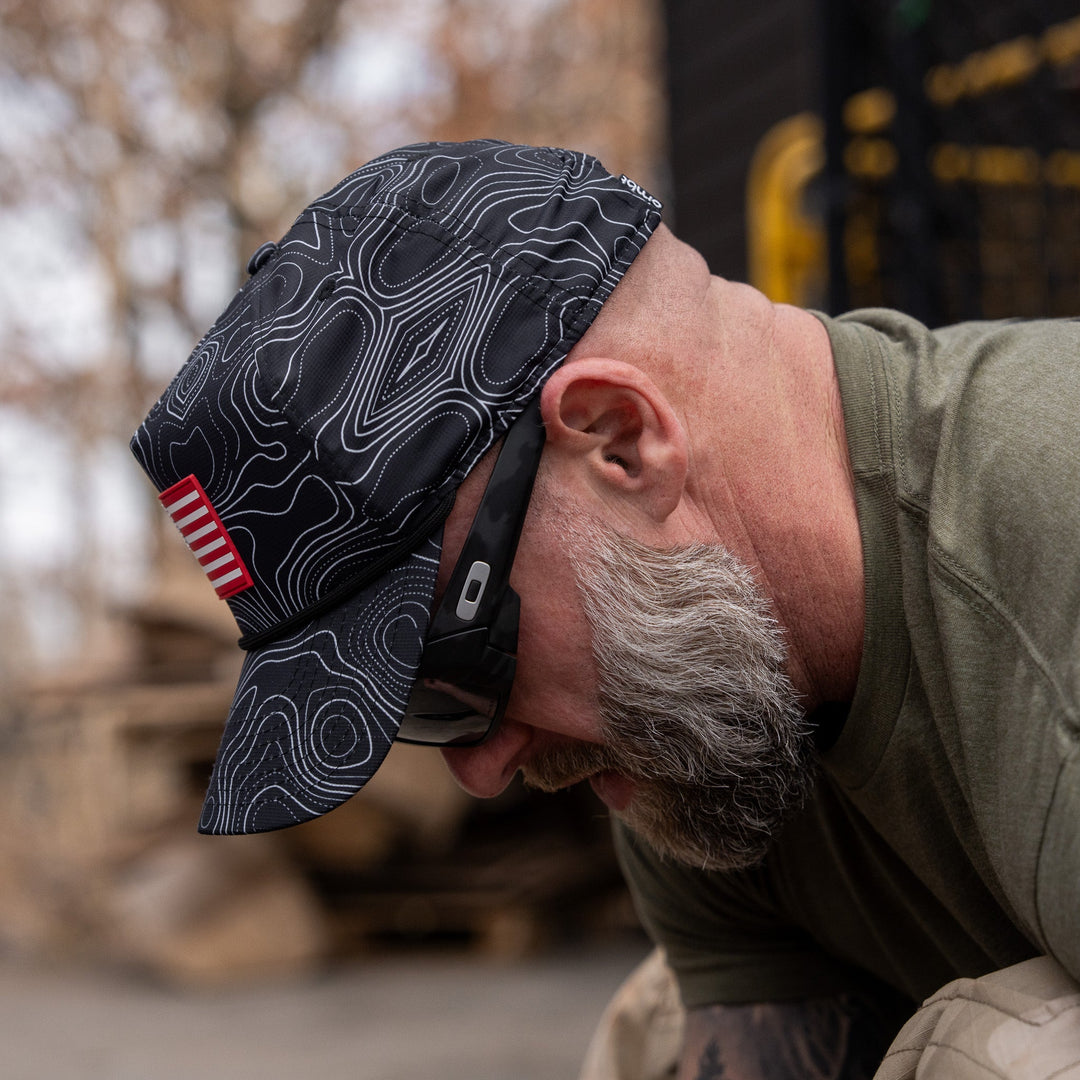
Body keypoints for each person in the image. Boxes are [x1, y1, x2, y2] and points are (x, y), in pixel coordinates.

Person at [132, 139, 1080, 1079]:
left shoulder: (1052, 550)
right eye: (422, 709)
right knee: (658, 1035)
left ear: (621, 443)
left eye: (455, 667)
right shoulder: (696, 694)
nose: (483, 768)